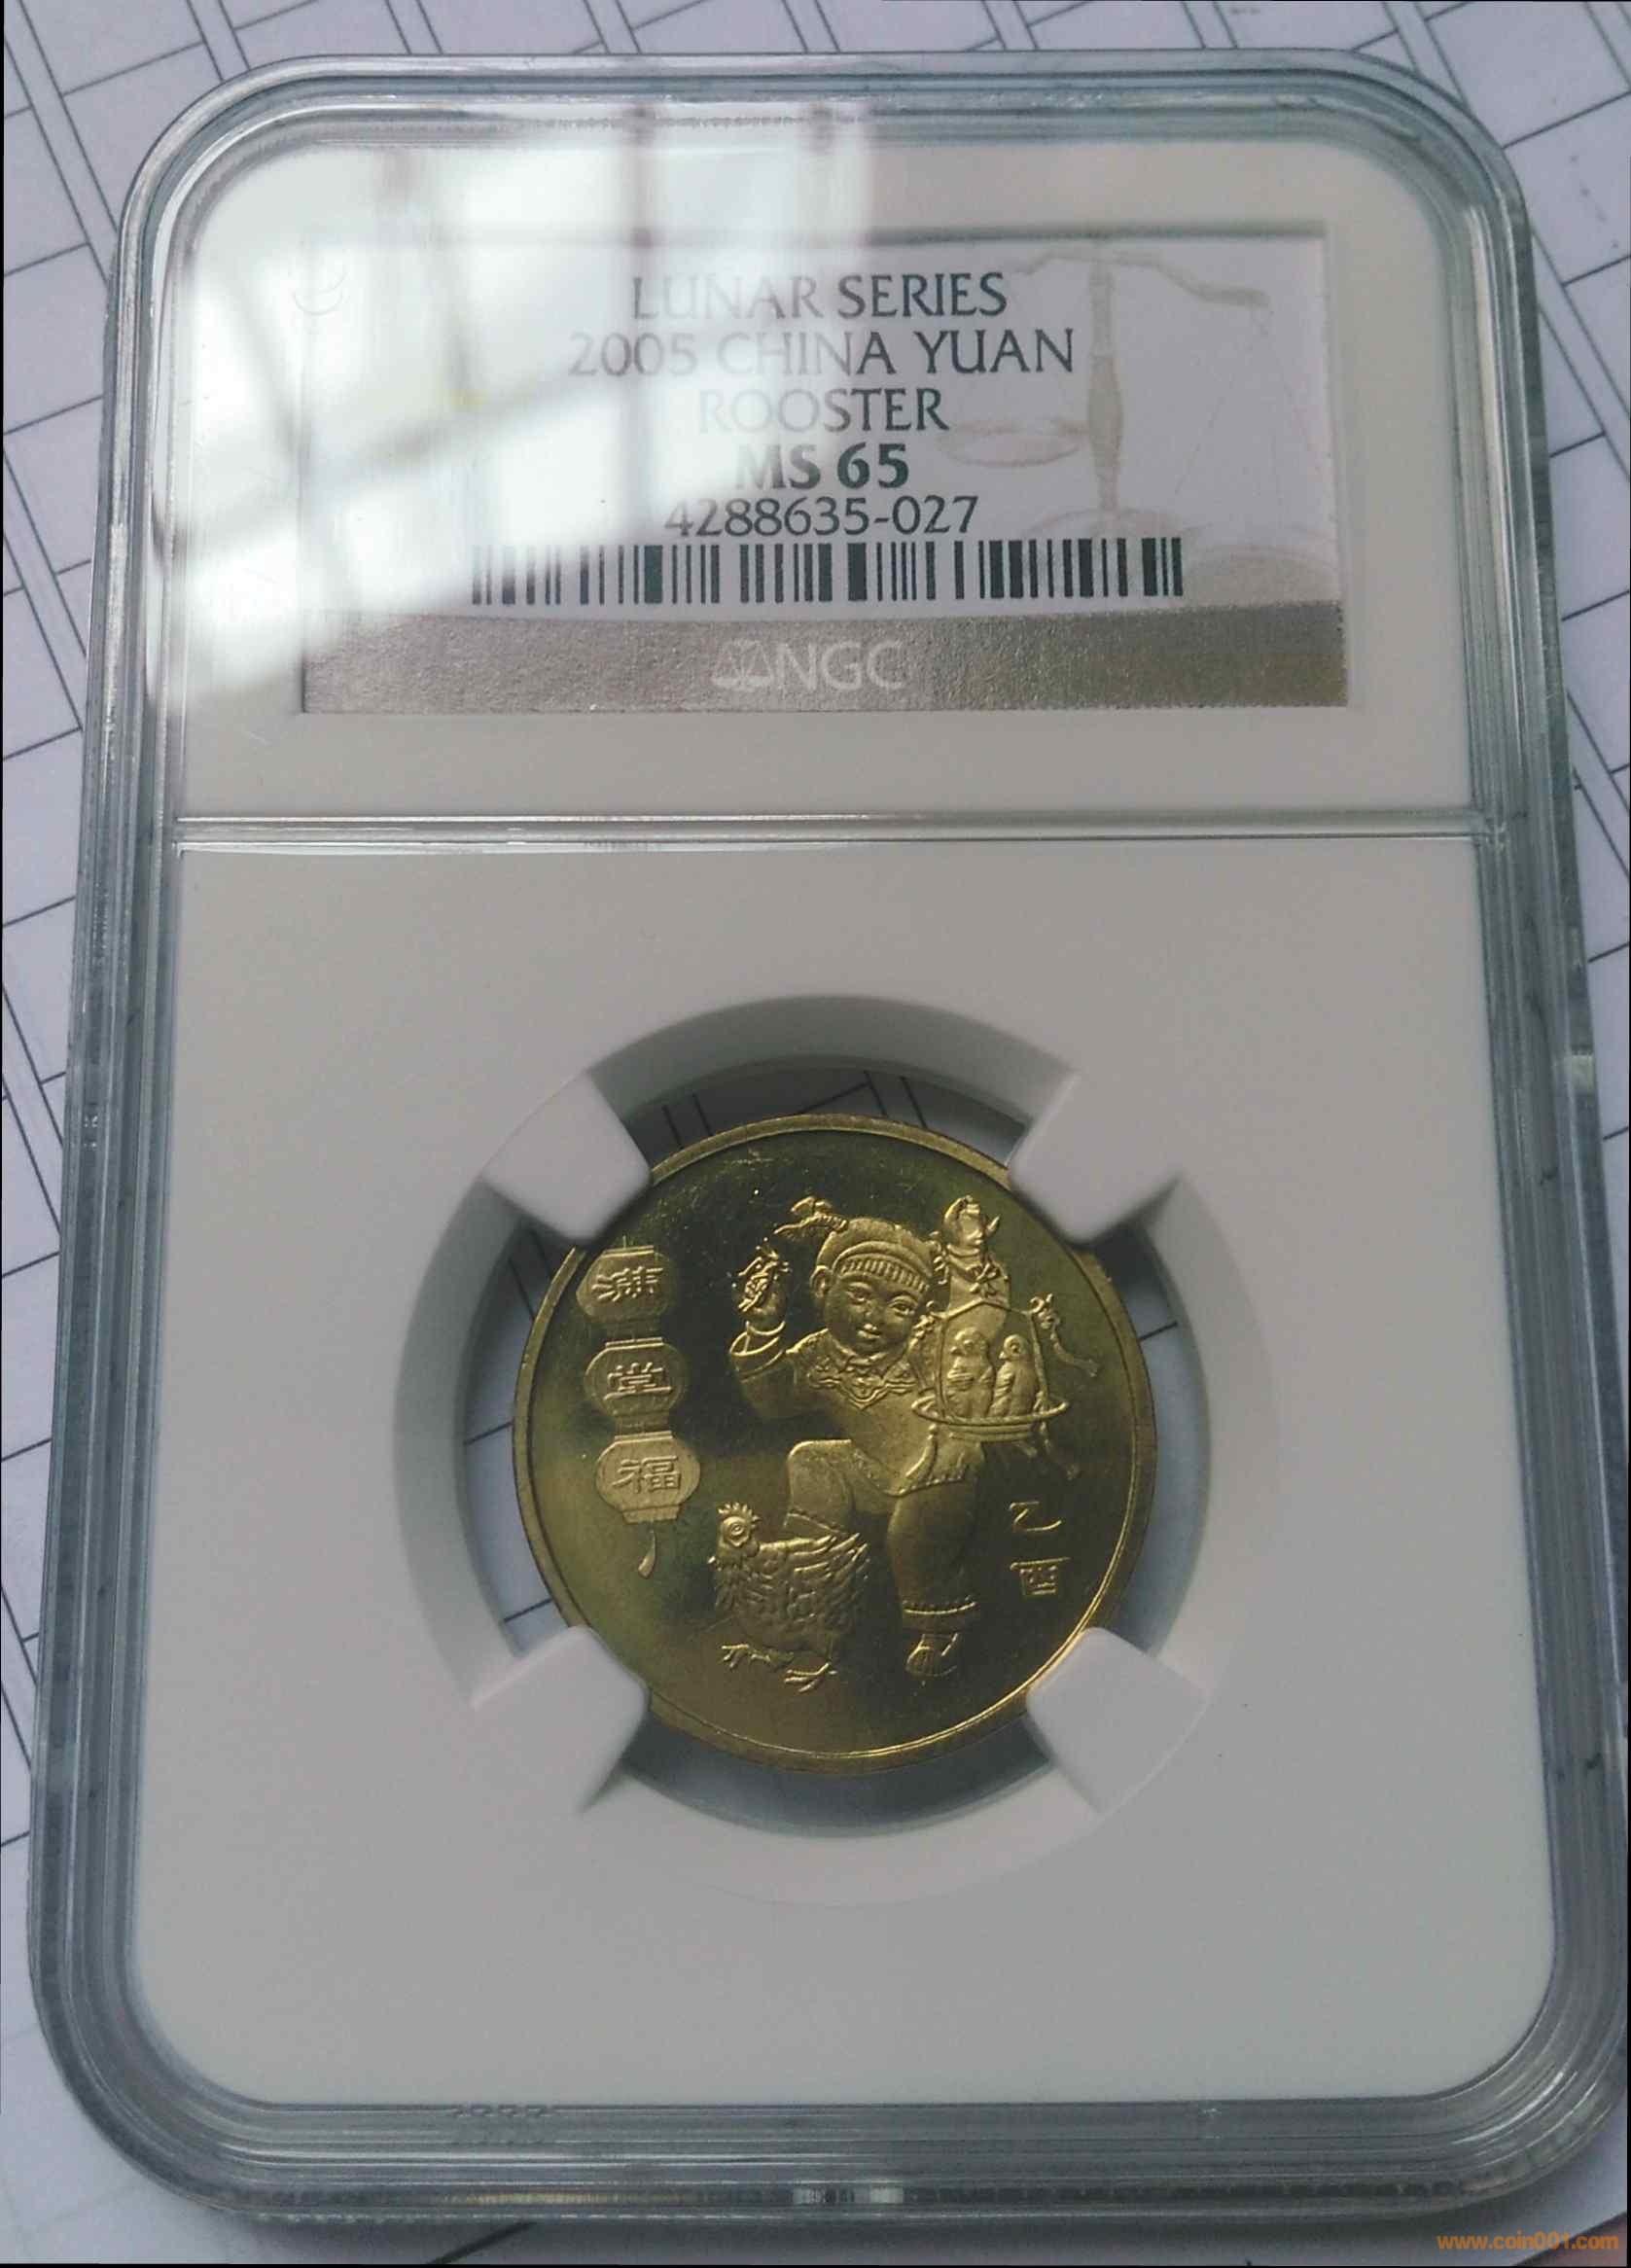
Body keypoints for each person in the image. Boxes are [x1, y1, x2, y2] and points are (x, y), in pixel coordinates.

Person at [730, 1202, 981, 1680]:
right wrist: (762, 1327)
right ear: (823, 1287)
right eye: (861, 1296)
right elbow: (773, 1400)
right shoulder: (819, 1354)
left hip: (941, 1467)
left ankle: (941, 1629)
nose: (875, 1318)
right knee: (811, 1460)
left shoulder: (923, 1352)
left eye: (900, 1307)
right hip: (875, 1468)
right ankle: (812, 1586)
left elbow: (968, 1345)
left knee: (911, 1538)